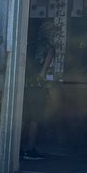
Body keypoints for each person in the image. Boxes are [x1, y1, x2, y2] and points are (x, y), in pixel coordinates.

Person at [21, 20, 56, 160]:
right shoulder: (49, 47)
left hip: (24, 86)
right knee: (35, 119)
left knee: (23, 118)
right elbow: (43, 73)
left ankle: (17, 148)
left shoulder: (29, 45)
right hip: (37, 87)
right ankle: (30, 149)